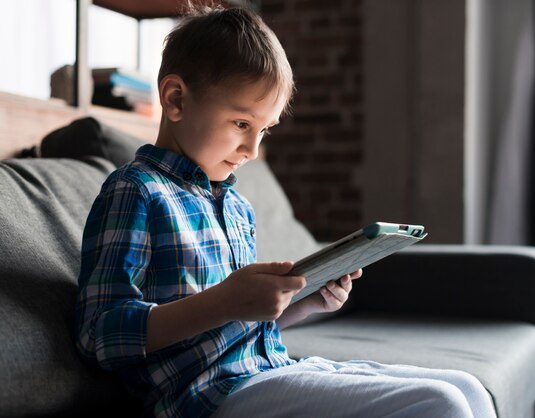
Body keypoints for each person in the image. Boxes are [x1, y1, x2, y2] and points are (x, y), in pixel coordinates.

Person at [75, 5, 497, 418]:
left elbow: (243, 328)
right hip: (207, 397)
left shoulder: (236, 207)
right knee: (442, 406)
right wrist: (224, 301)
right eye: (241, 123)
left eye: (264, 130)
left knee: (466, 389)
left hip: (269, 369)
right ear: (175, 99)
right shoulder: (136, 191)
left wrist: (303, 302)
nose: (253, 150)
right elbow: (99, 335)